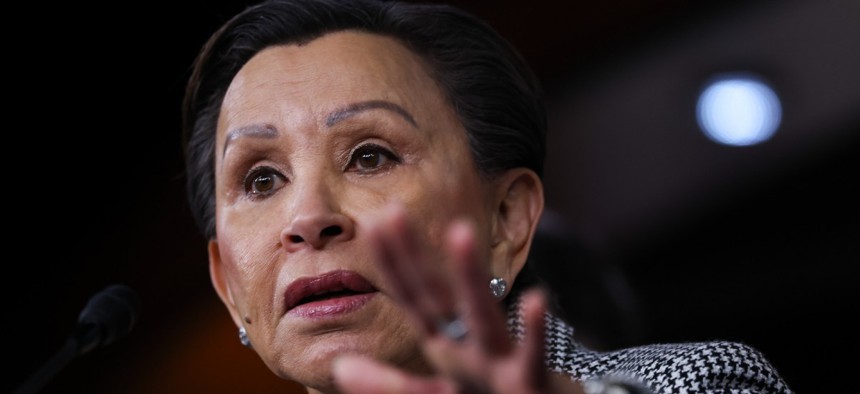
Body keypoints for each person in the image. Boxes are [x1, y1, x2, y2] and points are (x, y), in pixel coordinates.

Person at [181, 0, 793, 393]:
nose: (309, 217)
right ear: (229, 288)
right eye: (261, 179)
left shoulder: (704, 382)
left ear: (506, 220)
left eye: (371, 156)